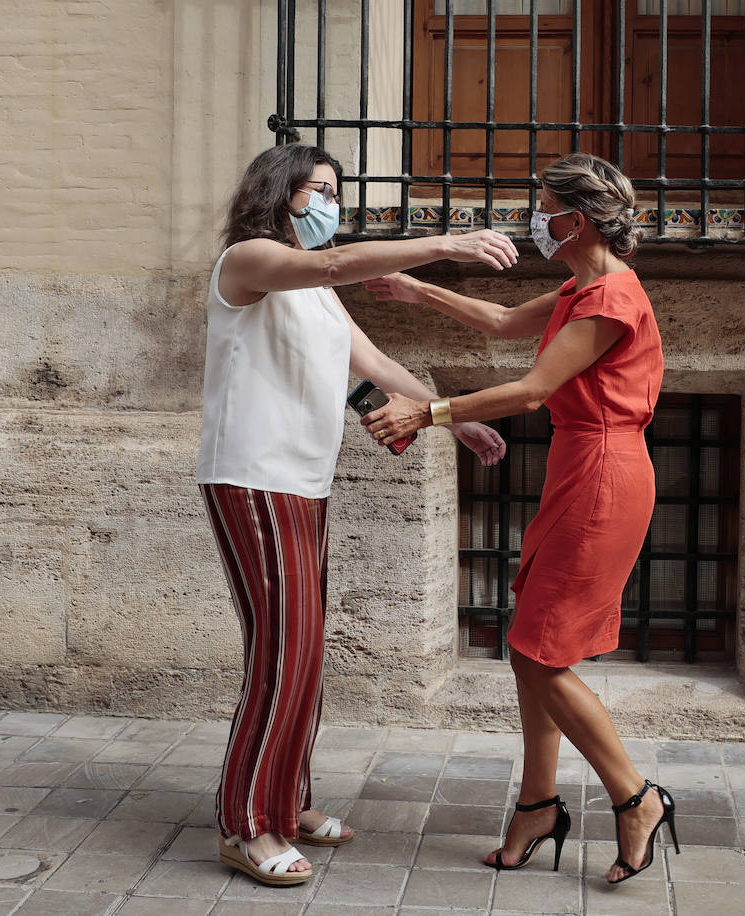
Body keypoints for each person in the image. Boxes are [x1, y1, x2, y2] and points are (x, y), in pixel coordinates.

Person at [201, 143, 514, 886]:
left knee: (303, 653)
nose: (332, 205)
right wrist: (444, 242)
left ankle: (291, 797)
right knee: (284, 653)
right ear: (279, 194)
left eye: (338, 192)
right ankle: (247, 823)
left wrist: (449, 418)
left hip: (304, 483)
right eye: (320, 190)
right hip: (253, 479)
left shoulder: (318, 290)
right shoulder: (248, 261)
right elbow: (335, 263)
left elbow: (371, 366)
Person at [362, 152, 678, 885]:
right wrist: (416, 292)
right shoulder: (584, 287)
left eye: (542, 209)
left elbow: (534, 389)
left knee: (541, 651)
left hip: (604, 470)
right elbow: (504, 320)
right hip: (583, 467)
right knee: (529, 642)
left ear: (575, 219)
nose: (533, 220)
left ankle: (636, 797)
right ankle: (538, 804)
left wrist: (428, 410)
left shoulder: (610, 299)